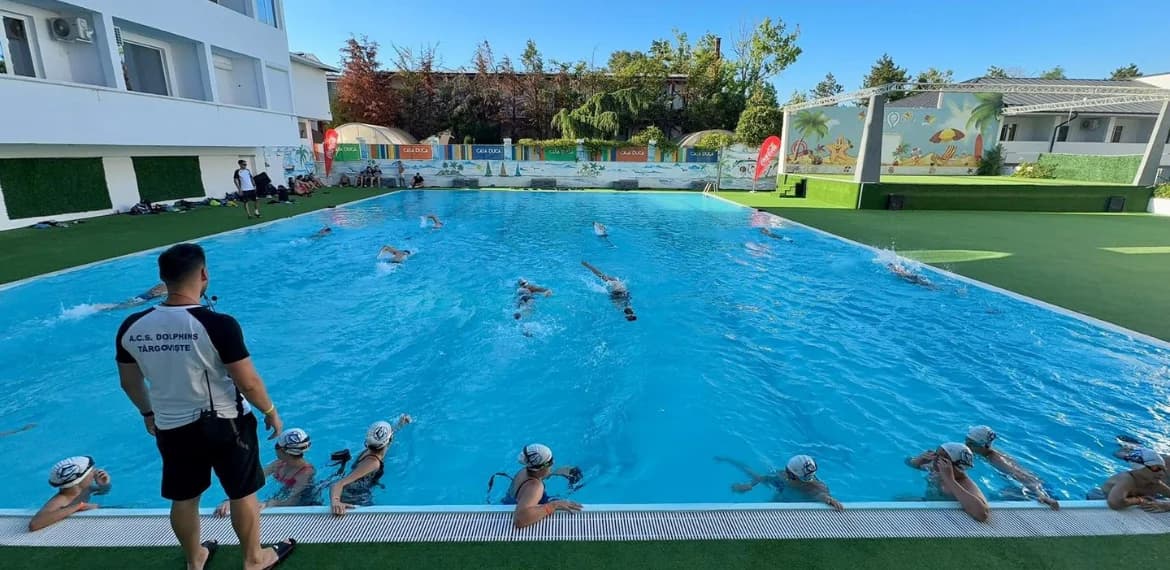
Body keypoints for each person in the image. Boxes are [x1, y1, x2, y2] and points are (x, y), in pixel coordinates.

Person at [115, 243, 294, 570]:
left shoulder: (131, 327)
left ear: (162, 278)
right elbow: (248, 383)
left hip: (170, 426)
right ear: (203, 275)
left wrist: (148, 412)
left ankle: (194, 558)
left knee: (184, 497)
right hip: (225, 423)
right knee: (243, 493)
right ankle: (254, 559)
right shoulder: (218, 324)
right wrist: (271, 412)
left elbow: (129, 383)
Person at [215, 428, 318, 517]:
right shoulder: (279, 463)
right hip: (282, 496)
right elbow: (252, 480)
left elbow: (292, 500)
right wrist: (231, 500)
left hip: (304, 504)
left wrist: (267, 504)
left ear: (282, 450)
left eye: (276, 445)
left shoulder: (306, 472)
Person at [329, 415, 412, 516]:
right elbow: (338, 484)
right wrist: (336, 501)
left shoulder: (370, 450)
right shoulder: (373, 463)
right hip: (355, 497)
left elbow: (385, 438)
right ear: (390, 440)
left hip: (358, 490)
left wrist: (399, 425)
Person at [965, 425, 1059, 509]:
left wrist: (1042, 495)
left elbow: (1021, 476)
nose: (967, 446)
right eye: (967, 441)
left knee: (994, 499)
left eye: (971, 444)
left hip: (1038, 490)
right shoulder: (990, 453)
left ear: (984, 446)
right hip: (1040, 485)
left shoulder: (996, 460)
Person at [719, 455, 844, 511]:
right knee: (755, 476)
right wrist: (749, 485)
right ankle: (730, 461)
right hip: (783, 494)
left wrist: (830, 500)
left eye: (788, 473)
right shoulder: (785, 476)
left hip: (792, 503)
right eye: (787, 471)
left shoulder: (814, 488)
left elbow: (822, 495)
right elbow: (763, 477)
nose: (785, 474)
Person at [505, 444, 583, 529]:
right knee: (562, 502)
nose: (553, 463)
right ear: (543, 467)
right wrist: (553, 505)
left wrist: (557, 472)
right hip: (523, 509)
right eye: (551, 461)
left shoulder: (524, 471)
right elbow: (519, 520)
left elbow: (539, 472)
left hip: (511, 501)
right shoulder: (535, 487)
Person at [907, 442, 990, 522]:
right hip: (927, 503)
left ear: (957, 466)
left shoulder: (965, 483)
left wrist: (949, 479)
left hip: (947, 517)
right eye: (935, 454)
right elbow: (908, 461)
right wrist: (918, 460)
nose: (934, 460)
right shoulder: (936, 469)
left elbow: (982, 514)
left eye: (941, 459)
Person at [28, 456, 112, 532]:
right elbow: (35, 524)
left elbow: (102, 492)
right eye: (91, 471)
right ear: (78, 482)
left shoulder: (85, 489)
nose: (94, 473)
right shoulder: (61, 499)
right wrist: (79, 506)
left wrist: (104, 485)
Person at [1091, 448, 1170, 511]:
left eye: (1163, 470)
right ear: (1140, 467)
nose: (1162, 473)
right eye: (1156, 468)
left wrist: (1165, 505)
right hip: (1099, 497)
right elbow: (1115, 503)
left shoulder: (1155, 484)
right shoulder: (1127, 479)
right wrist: (1140, 500)